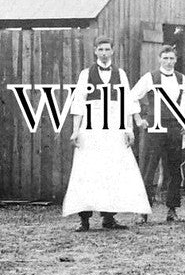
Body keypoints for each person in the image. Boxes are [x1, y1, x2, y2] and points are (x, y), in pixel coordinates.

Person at [62, 36, 150, 231]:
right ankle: (84, 219)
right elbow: (78, 102)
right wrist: (76, 131)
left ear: (112, 51)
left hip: (114, 126)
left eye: (107, 49)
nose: (103, 53)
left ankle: (109, 218)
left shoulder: (121, 74)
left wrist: (129, 129)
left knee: (112, 169)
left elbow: (127, 102)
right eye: (100, 49)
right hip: (92, 127)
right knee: (88, 169)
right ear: (95, 51)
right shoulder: (86, 74)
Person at [131, 45, 185, 222]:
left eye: (171, 58)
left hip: (174, 127)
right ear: (159, 59)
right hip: (155, 127)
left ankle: (172, 209)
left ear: (176, 60)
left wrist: (184, 121)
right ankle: (144, 211)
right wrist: (138, 119)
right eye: (165, 58)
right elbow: (132, 96)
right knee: (149, 167)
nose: (168, 62)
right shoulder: (150, 77)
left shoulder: (181, 78)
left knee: (174, 168)